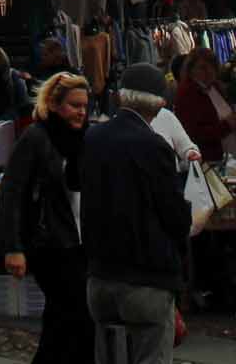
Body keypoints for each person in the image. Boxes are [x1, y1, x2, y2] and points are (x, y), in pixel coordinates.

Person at [81, 64, 193, 364]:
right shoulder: (154, 146)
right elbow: (173, 214)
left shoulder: (92, 138)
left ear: (121, 97)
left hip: (100, 275)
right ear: (159, 105)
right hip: (146, 276)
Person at [0, 72, 93, 362]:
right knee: (71, 313)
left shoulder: (87, 138)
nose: (80, 112)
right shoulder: (36, 138)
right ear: (54, 104)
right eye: (74, 105)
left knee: (67, 318)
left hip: (81, 241)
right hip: (49, 242)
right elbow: (12, 193)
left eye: (84, 105)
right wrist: (12, 247)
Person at [173, 48, 236, 161]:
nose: (209, 71)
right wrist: (227, 126)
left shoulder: (215, 87)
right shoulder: (186, 94)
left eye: (212, 66)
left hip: (230, 156)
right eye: (202, 68)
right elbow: (193, 134)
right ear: (191, 70)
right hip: (210, 161)